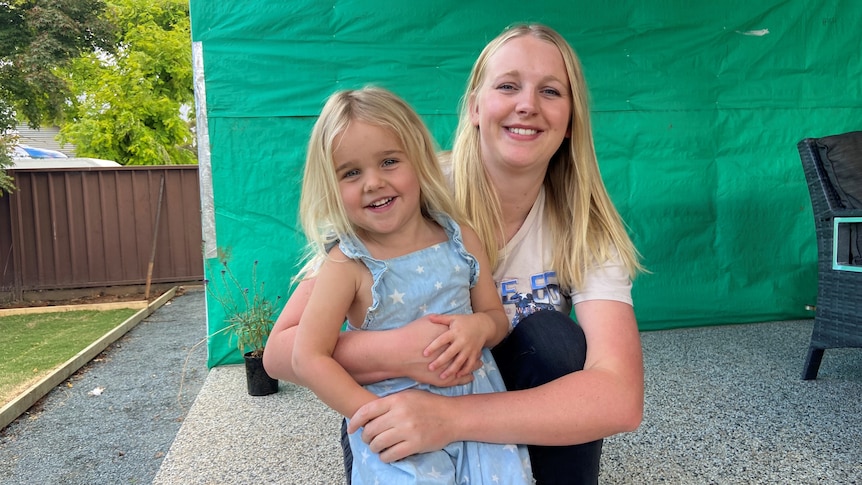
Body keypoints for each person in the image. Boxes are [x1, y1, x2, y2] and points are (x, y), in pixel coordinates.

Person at [264, 23, 644, 485]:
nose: (527, 104)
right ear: (475, 107)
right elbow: (282, 351)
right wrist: (400, 352)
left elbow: (619, 398)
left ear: (571, 122)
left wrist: (449, 417)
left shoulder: (586, 227)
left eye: (550, 91)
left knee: (552, 338)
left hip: (491, 407)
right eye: (508, 85)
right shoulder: (405, 191)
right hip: (399, 408)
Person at [290, 86, 533, 484]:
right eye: (351, 172)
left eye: (388, 161)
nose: (372, 182)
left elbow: (495, 317)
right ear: (331, 185)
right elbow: (307, 357)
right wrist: (370, 414)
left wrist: (479, 327)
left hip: (476, 405)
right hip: (395, 415)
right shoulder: (346, 263)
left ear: (419, 162)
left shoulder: (461, 238)